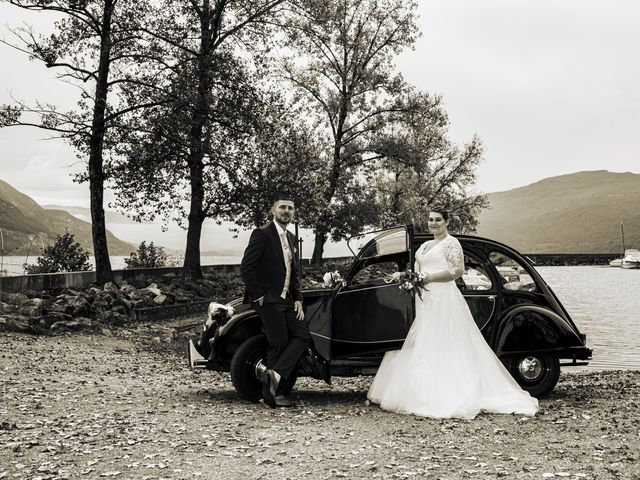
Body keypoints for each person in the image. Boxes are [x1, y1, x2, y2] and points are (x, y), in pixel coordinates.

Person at [367, 207, 538, 418]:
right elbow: (420, 270)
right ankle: (422, 390)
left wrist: (427, 278)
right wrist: (405, 275)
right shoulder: (426, 245)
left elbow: (457, 271)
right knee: (424, 339)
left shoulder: (451, 243)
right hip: (425, 299)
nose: (433, 223)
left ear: (446, 222)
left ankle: (447, 393)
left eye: (438, 220)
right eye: (430, 220)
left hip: (444, 297)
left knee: (445, 340)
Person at [240, 197, 310, 408]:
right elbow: (247, 268)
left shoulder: (290, 236)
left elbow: (293, 272)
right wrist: (260, 296)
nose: (286, 211)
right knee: (278, 342)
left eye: (290, 208)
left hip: (286, 300)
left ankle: (274, 376)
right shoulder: (262, 234)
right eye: (282, 207)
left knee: (302, 336)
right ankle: (273, 394)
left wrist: (298, 298)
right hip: (268, 299)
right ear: (273, 210)